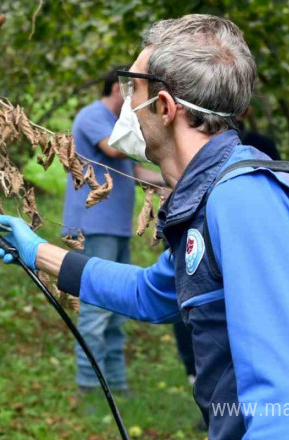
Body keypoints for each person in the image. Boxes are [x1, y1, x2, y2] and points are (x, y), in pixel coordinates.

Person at [0, 15, 289, 439]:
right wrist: (34, 251)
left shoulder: (243, 198)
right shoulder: (213, 193)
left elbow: (285, 400)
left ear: (164, 107)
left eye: (133, 90)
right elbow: (150, 293)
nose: (126, 107)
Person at [62, 67, 165, 394]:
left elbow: (135, 171)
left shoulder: (117, 124)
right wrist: (161, 138)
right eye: (135, 92)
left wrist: (176, 178)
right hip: (95, 226)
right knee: (95, 308)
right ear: (120, 90)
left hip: (117, 229)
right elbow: (113, 149)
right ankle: (90, 389)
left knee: (116, 309)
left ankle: (117, 387)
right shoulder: (93, 117)